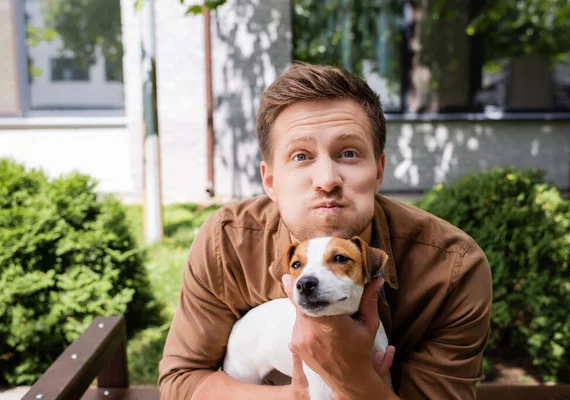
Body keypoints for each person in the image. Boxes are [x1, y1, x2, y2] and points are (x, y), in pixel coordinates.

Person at [158, 63, 492, 399]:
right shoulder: (228, 240)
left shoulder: (454, 269)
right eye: (301, 156)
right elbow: (183, 382)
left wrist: (354, 379)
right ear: (270, 180)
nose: (327, 180)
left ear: (378, 171)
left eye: (348, 153)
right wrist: (300, 396)